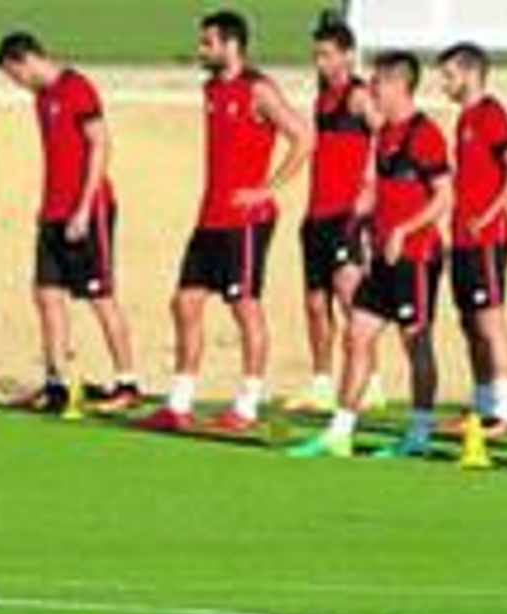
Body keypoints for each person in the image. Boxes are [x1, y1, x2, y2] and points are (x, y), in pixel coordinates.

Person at [138, 10, 313, 433]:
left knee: (244, 307)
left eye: (208, 43)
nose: (201, 50)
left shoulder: (259, 90)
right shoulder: (212, 89)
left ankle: (247, 407)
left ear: (232, 45)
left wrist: (266, 189)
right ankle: (178, 404)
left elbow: (304, 137)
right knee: (185, 303)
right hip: (210, 217)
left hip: (246, 220)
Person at [288, 51, 451, 459]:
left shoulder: (425, 134)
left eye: (377, 81)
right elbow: (378, 188)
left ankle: (418, 434)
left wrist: (403, 230)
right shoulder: (386, 134)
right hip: (380, 258)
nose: (371, 88)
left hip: (415, 257)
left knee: (416, 342)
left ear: (398, 85)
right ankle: (339, 432)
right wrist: (357, 218)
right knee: (356, 336)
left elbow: (444, 197)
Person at [0, 31, 140, 414]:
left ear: (25, 60)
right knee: (47, 295)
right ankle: (56, 385)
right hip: (53, 212)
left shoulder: (77, 88)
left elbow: (101, 144)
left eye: (14, 75)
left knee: (100, 296)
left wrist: (84, 208)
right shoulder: (41, 98)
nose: (16, 83)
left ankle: (127, 384)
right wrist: (49, 207)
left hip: (88, 210)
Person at [438, 42, 507, 437]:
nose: (444, 83)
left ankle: (503, 413)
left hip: (487, 238)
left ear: (471, 73)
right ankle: (481, 406)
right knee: (470, 323)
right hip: (463, 238)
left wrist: (489, 214)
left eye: (449, 75)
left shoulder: (491, 114)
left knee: (490, 320)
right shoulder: (466, 118)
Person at [284, 14, 375, 415]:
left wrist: (369, 184)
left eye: (326, 55)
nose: (319, 63)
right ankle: (321, 383)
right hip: (317, 215)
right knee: (315, 304)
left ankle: (369, 382)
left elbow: (386, 134)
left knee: (350, 300)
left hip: (346, 215)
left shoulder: (359, 96)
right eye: (316, 55)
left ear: (347, 56)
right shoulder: (321, 99)